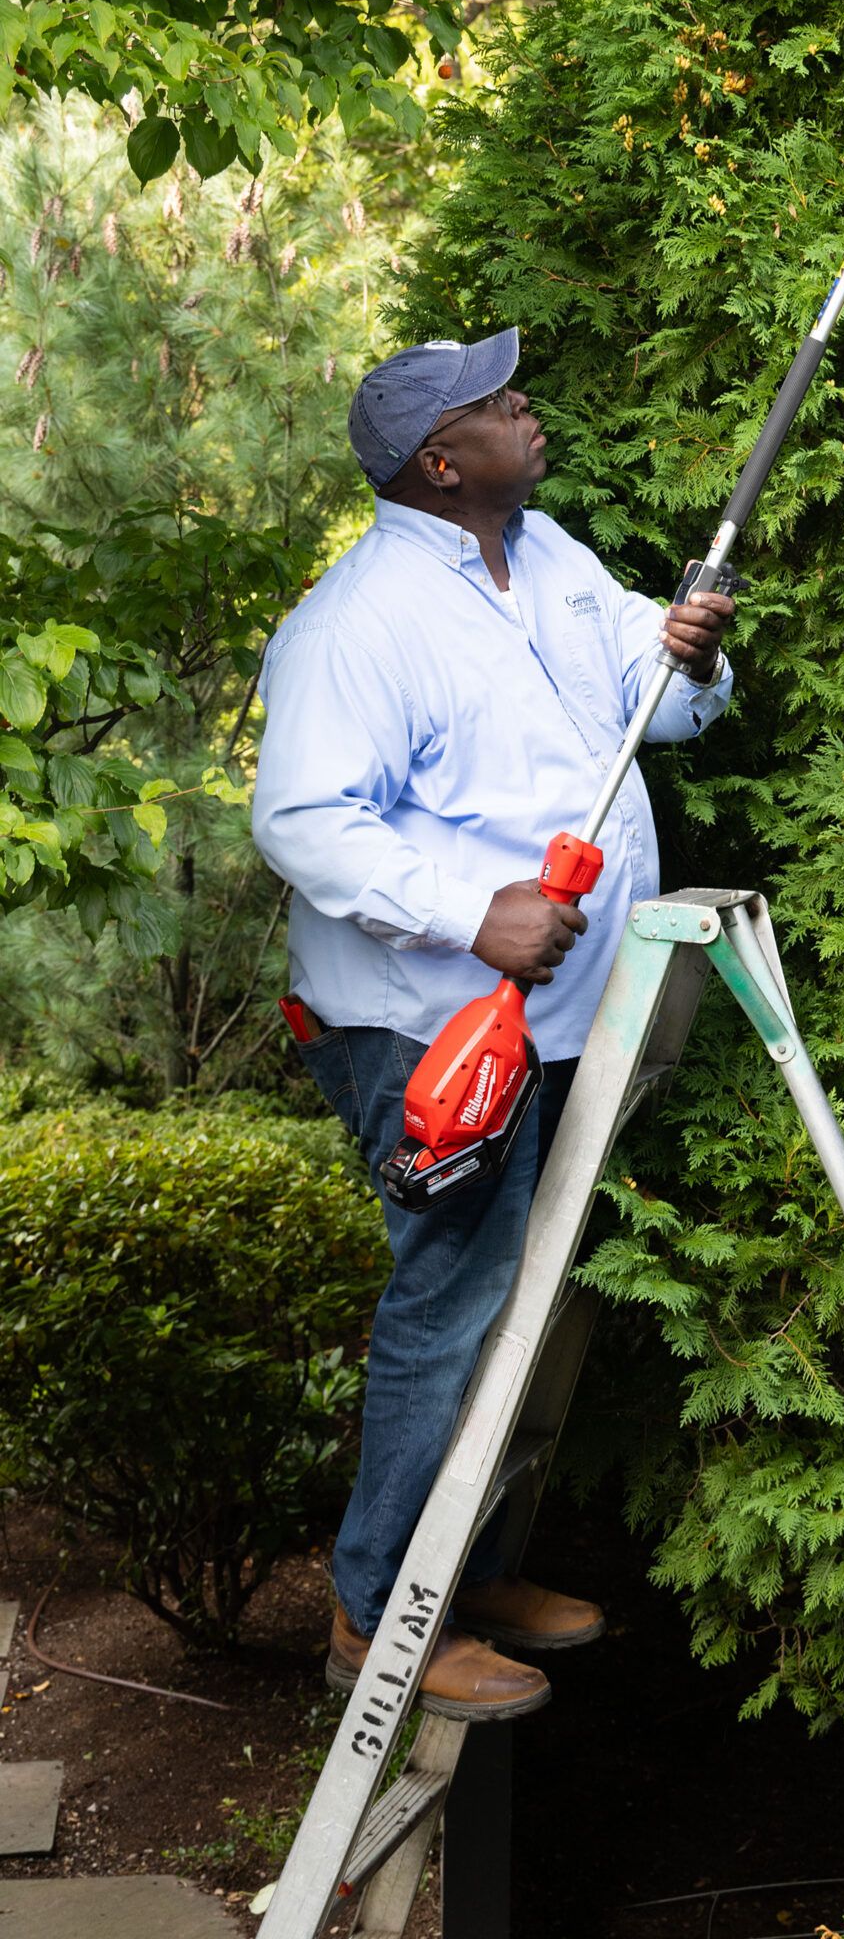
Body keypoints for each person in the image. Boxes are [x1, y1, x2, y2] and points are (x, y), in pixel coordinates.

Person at [252, 327, 735, 1721]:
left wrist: (685, 656)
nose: (530, 407)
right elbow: (301, 819)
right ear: (439, 461)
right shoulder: (360, 626)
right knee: (450, 1310)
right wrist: (476, 910)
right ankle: (372, 1616)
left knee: (519, 1312)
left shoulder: (555, 561)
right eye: (498, 402)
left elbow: (661, 708)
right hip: (429, 1028)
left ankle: (450, 1574)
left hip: (565, 1014)